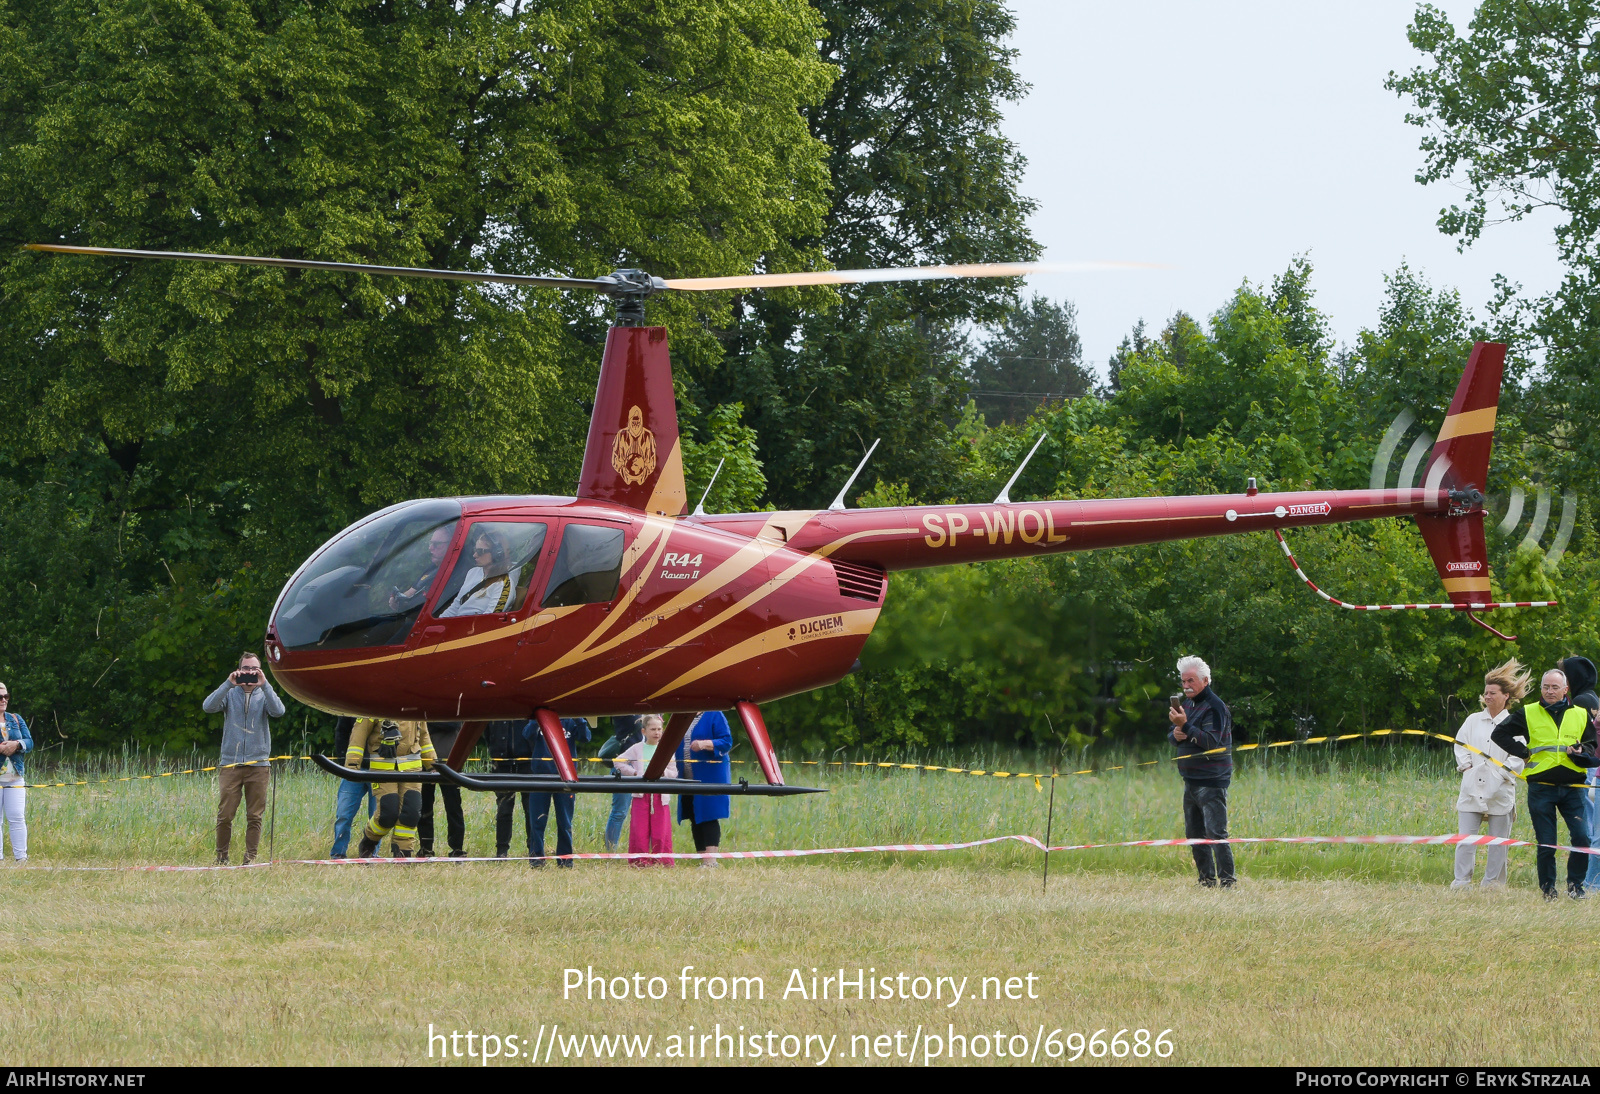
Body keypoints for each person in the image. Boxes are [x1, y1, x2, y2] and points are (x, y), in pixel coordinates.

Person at [1491, 666, 1600, 899]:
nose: (1550, 691)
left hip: (1573, 787)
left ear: (1565, 689)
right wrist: (1522, 751)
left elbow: (1592, 744)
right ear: (1541, 689)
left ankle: (1575, 886)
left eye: (1555, 687)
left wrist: (1581, 751)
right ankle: (1548, 889)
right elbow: (1499, 734)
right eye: (1546, 687)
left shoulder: (1580, 714)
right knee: (1547, 842)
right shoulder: (1528, 712)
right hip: (1541, 788)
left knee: (1582, 838)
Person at [1451, 659, 1529, 889]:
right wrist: (1467, 768)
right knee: (1466, 840)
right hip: (1471, 788)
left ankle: (1492, 884)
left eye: (1492, 693)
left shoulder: (1515, 723)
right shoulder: (1473, 720)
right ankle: (1461, 882)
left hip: (1501, 790)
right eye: (1486, 693)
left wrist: (1502, 774)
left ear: (1506, 696)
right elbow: (1460, 745)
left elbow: (1520, 754)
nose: (1487, 696)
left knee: (1498, 841)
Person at [203, 652, 285, 865]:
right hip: (230, 763)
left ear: (260, 671)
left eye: (254, 668)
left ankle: (250, 860)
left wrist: (265, 685)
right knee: (225, 815)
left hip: (258, 765)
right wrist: (227, 684)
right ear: (239, 670)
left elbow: (279, 711)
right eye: (246, 668)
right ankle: (221, 858)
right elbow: (208, 706)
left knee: (254, 816)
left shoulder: (264, 694)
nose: (249, 672)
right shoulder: (230, 694)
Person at [1167, 655, 1235, 888]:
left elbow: (1212, 742)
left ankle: (1228, 882)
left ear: (1205, 680)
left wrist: (1184, 726)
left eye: (1191, 681)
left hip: (1212, 780)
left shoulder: (1216, 707)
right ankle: (1206, 880)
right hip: (1191, 780)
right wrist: (1175, 734)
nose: (1186, 686)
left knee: (1216, 834)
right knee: (1195, 835)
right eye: (1183, 681)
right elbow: (1174, 735)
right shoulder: (1186, 704)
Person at [346, 718, 437, 858]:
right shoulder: (375, 702)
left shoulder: (415, 705)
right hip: (383, 767)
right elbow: (359, 734)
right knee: (387, 814)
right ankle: (369, 842)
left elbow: (424, 736)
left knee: (411, 813)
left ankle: (403, 853)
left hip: (412, 767)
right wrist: (352, 765)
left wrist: (433, 764)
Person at [524, 717, 591, 867]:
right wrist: (536, 719)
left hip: (566, 778)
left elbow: (585, 737)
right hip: (540, 777)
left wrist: (580, 719)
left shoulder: (571, 721)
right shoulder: (541, 718)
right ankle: (536, 859)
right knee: (537, 821)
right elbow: (527, 734)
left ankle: (565, 860)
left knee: (565, 821)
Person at [613, 714, 676, 866]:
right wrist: (634, 773)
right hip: (641, 794)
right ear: (644, 732)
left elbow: (674, 773)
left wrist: (664, 773)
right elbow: (618, 762)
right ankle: (639, 861)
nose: (656, 732)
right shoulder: (637, 749)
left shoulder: (667, 749)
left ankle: (661, 861)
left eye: (659, 729)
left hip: (660, 795)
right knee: (639, 830)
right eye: (653, 729)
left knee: (661, 831)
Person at [676, 710, 732, 865]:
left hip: (710, 776)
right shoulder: (683, 715)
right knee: (694, 816)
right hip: (687, 778)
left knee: (708, 815)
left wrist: (704, 744)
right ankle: (703, 860)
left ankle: (711, 861)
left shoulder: (715, 714)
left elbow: (726, 742)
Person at [439, 529, 519, 617]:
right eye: (475, 550)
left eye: (480, 551)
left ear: (497, 553)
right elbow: (456, 606)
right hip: (457, 624)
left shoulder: (503, 583)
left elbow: (489, 618)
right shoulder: (473, 572)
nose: (475, 555)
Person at [484, 719, 534, 858]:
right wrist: (495, 750)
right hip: (502, 761)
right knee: (504, 808)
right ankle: (501, 852)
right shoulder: (498, 705)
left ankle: (534, 850)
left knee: (530, 808)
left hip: (527, 760)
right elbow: (487, 730)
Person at [329, 715, 376, 858]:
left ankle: (371, 854)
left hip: (380, 770)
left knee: (376, 817)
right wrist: (345, 762)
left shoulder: (385, 705)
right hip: (353, 770)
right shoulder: (352, 704)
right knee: (343, 814)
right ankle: (338, 854)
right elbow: (341, 731)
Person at [418, 721, 466, 858]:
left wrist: (426, 723)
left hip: (450, 762)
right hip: (425, 760)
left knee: (453, 807)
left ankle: (457, 848)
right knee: (424, 807)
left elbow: (453, 725)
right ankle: (425, 847)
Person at [598, 716, 644, 852]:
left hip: (641, 760)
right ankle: (611, 851)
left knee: (641, 809)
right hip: (625, 762)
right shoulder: (627, 711)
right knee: (620, 811)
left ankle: (641, 849)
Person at [0, 682, 32, 863]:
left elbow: (29, 741)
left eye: (6, 696)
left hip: (15, 777)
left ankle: (21, 859)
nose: (3, 700)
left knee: (17, 817)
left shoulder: (16, 718)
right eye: (0, 697)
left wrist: (17, 745)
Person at [389, 524, 454, 613]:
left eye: (437, 544)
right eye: (431, 543)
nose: (430, 548)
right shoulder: (433, 567)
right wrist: (398, 600)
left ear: (452, 545)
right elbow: (411, 592)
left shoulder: (455, 574)